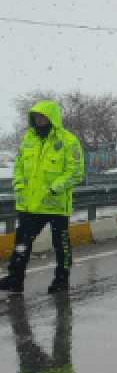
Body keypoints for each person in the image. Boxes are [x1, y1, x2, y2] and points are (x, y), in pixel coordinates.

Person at [0, 100, 84, 294]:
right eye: (36, 116)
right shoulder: (29, 139)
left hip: (55, 204)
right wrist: (19, 184)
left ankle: (61, 280)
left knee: (60, 244)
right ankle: (15, 279)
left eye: (43, 116)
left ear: (51, 118)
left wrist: (56, 187)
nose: (39, 120)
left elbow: (76, 170)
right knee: (22, 243)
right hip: (29, 205)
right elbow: (19, 165)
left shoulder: (68, 141)